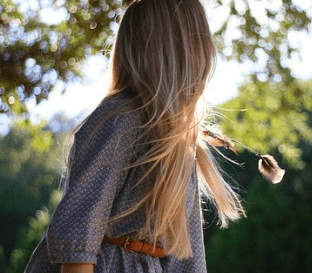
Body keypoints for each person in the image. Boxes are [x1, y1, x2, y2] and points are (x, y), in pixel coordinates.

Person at [25, 0, 245, 272]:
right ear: (177, 49)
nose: (207, 53)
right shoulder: (117, 120)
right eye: (199, 39)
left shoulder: (179, 140)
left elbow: (188, 254)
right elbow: (78, 235)